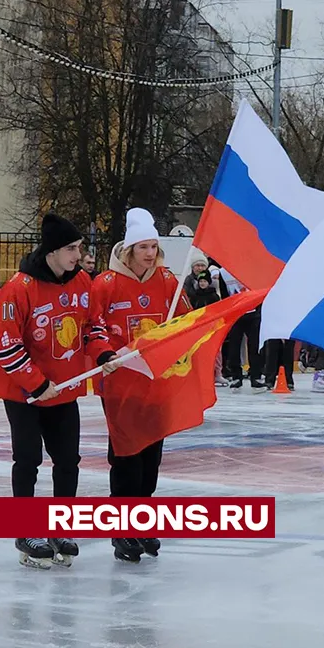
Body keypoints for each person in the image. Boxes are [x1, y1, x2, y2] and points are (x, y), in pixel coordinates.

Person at [0, 213, 118, 568]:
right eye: (71, 248)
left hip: (64, 389)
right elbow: (3, 344)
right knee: (28, 459)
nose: (79, 255)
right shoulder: (20, 287)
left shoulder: (82, 283)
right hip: (24, 393)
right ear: (52, 251)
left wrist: (104, 353)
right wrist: (37, 383)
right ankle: (26, 530)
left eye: (79, 248)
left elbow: (93, 327)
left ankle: (61, 528)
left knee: (67, 461)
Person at [90, 207, 191, 563]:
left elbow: (186, 322)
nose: (149, 253)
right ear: (129, 249)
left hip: (155, 381)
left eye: (153, 247)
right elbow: (93, 327)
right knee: (126, 456)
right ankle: (122, 529)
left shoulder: (167, 281)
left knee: (151, 456)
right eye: (143, 247)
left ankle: (142, 521)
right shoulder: (105, 283)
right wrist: (105, 353)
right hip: (120, 383)